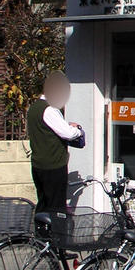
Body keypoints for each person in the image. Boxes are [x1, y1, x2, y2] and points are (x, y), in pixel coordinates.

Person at [27, 70, 84, 212]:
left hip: (38, 164)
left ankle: (42, 232)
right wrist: (78, 130)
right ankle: (55, 234)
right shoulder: (49, 109)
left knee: (43, 203)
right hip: (53, 165)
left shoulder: (34, 107)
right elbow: (67, 133)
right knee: (56, 205)